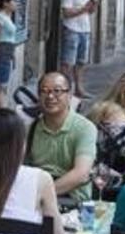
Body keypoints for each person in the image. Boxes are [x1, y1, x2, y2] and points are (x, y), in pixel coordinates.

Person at [25, 72, 97, 203]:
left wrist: (42, 195)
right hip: (37, 197)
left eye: (57, 91)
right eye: (44, 91)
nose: (50, 96)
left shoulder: (85, 128)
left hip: (72, 199)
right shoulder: (31, 129)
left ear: (69, 95)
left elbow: (81, 174)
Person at [61, 0, 96, 98]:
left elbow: (90, 11)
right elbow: (66, 12)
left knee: (81, 62)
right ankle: (66, 89)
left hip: (85, 28)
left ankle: (79, 88)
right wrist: (84, 8)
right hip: (72, 28)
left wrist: (93, 6)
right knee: (68, 62)